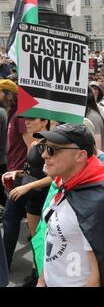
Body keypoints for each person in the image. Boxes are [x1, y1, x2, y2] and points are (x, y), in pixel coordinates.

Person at [33, 124, 104, 287]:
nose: (44, 155)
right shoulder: (64, 186)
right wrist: (41, 280)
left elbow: (98, 273)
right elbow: (51, 243)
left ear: (80, 156)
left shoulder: (94, 205)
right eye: (43, 147)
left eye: (52, 150)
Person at [1, 117, 51, 286]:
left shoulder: (52, 146)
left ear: (44, 121)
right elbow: (30, 170)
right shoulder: (34, 144)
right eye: (26, 119)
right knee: (36, 239)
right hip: (33, 199)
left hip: (46, 197)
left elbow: (55, 177)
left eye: (31, 119)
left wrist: (27, 187)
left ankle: (40, 278)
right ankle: (34, 274)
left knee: (46, 240)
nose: (27, 122)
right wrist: (16, 173)